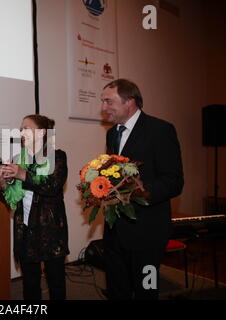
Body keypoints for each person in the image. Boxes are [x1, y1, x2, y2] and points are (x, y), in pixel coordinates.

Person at [100, 79, 184, 299]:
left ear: (130, 101)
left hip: (147, 233)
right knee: (117, 291)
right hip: (115, 232)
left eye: (109, 101)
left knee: (147, 291)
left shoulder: (161, 130)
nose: (103, 107)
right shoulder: (112, 134)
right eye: (103, 102)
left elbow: (174, 181)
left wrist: (140, 191)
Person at [0, 114, 69, 300]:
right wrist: (1, 183)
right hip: (24, 228)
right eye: (21, 128)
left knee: (56, 281)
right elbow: (12, 196)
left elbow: (52, 186)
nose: (21, 131)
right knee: (30, 283)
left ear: (41, 132)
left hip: (50, 229)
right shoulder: (18, 158)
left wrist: (22, 174)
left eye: (26, 128)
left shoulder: (57, 156)